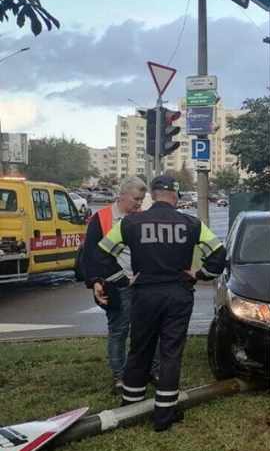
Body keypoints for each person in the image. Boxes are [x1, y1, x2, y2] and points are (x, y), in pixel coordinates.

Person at [93, 175, 226, 431]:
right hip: (178, 294)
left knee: (140, 348)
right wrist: (199, 275)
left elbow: (101, 254)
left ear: (153, 195)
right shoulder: (192, 223)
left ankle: (130, 407)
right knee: (170, 352)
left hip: (144, 295)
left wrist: (123, 280)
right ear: (175, 195)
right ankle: (164, 415)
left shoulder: (130, 222)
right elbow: (218, 255)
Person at [81, 177, 159, 394]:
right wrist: (96, 282)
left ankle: (152, 369)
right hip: (116, 285)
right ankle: (120, 376)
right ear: (122, 195)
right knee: (119, 330)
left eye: (142, 199)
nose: (139, 203)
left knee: (148, 329)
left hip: (143, 283)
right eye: (136, 199)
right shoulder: (102, 218)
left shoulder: (141, 217)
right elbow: (91, 256)